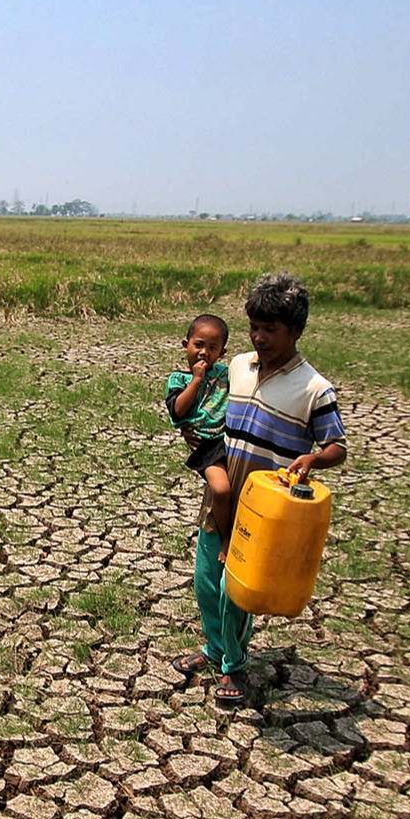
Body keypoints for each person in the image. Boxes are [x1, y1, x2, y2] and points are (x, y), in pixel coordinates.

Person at [172, 273, 347, 705]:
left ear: (296, 331)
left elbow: (337, 446)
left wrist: (314, 459)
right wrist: (195, 432)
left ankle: (233, 664)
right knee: (207, 582)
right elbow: (203, 408)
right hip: (223, 494)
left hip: (266, 510)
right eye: (255, 327)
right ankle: (213, 648)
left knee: (240, 591)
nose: (259, 337)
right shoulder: (237, 367)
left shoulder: (314, 389)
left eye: (271, 330)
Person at [164, 314, 233, 560]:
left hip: (232, 440)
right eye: (199, 345)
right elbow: (178, 410)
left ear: (222, 353)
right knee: (222, 490)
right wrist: (196, 380)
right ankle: (226, 538)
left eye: (213, 348)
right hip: (208, 446)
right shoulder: (178, 379)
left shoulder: (226, 373)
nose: (204, 352)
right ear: (186, 345)